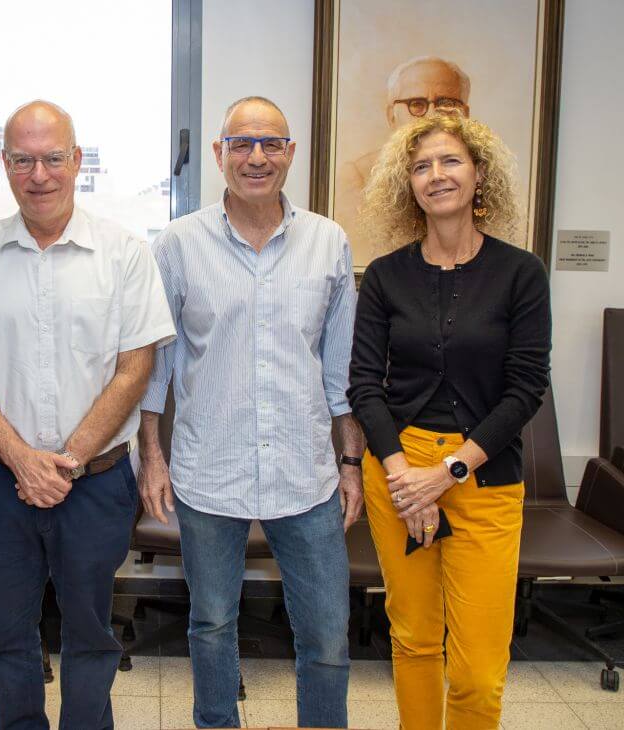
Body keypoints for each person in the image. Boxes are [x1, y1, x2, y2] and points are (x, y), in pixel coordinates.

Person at [138, 96, 363, 729]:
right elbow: (156, 367)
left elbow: (342, 371)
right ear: (218, 154)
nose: (256, 157)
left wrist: (351, 464)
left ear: (291, 153)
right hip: (208, 471)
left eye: (270, 143)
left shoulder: (328, 243)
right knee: (211, 624)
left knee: (326, 637)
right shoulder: (179, 245)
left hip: (307, 472)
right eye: (241, 144)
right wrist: (151, 456)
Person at [0, 100, 175, 730]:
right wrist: (24, 461)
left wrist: (67, 460)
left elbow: (135, 370)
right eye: (23, 160)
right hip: (1, 482)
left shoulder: (124, 253)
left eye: (53, 158)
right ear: (5, 165)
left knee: (92, 634)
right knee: (7, 636)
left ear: (77, 161)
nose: (39, 174)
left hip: (98, 481)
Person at [348, 113, 551, 729]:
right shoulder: (385, 275)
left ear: (480, 173)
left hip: (484, 476)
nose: (436, 175)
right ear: (407, 185)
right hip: (397, 470)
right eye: (421, 166)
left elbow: (525, 390)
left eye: (450, 161)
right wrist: (406, 475)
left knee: (477, 670)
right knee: (412, 639)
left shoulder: (522, 274)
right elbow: (364, 384)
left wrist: (448, 471)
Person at [337, 56, 471, 266]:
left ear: (465, 114)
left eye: (445, 103)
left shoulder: (477, 177)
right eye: (416, 104)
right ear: (391, 116)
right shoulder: (357, 176)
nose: (431, 115)